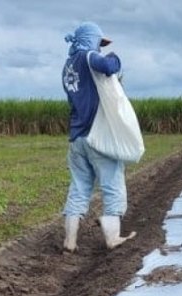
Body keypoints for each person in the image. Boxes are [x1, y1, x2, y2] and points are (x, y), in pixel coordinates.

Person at [61, 22, 135, 252]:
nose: (100, 48)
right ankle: (112, 236)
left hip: (77, 138)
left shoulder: (67, 65)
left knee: (79, 187)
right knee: (112, 183)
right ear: (91, 39)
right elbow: (108, 65)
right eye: (99, 42)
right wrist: (116, 58)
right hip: (98, 135)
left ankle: (69, 242)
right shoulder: (88, 56)